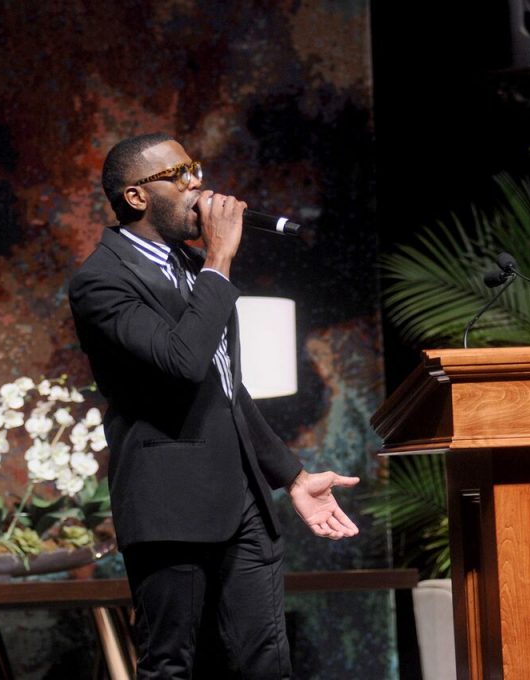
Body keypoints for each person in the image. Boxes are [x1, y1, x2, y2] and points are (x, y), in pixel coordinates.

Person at [68, 133, 359, 679]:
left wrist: (291, 476)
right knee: (173, 665)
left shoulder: (192, 267)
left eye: (194, 168)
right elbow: (181, 362)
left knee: (266, 663)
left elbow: (226, 387)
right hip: (170, 504)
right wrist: (220, 258)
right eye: (177, 174)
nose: (196, 182)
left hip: (243, 497)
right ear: (136, 197)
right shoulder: (101, 281)